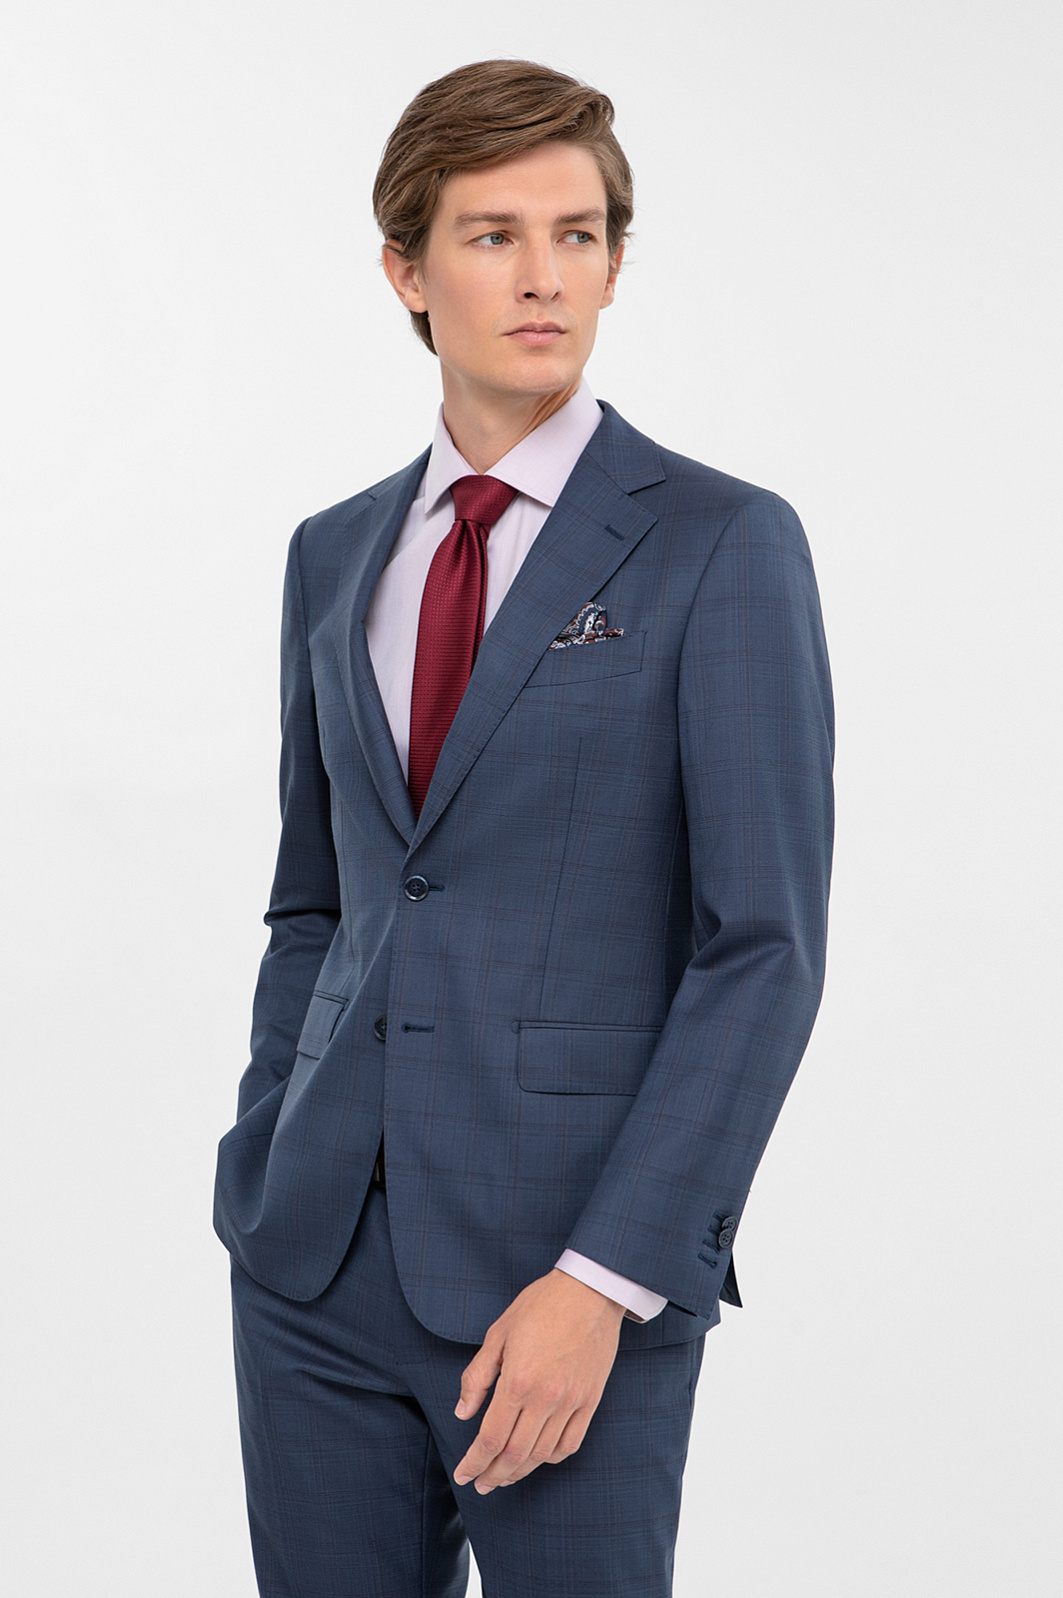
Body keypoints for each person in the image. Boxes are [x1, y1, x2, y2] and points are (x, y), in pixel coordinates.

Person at [213, 57, 834, 1598]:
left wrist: (608, 1276)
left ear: (616, 262)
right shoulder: (333, 552)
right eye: (493, 236)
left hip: (563, 1283)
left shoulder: (722, 544)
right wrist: (266, 1146)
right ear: (407, 271)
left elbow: (760, 946)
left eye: (579, 234)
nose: (545, 276)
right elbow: (318, 899)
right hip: (311, 1268)